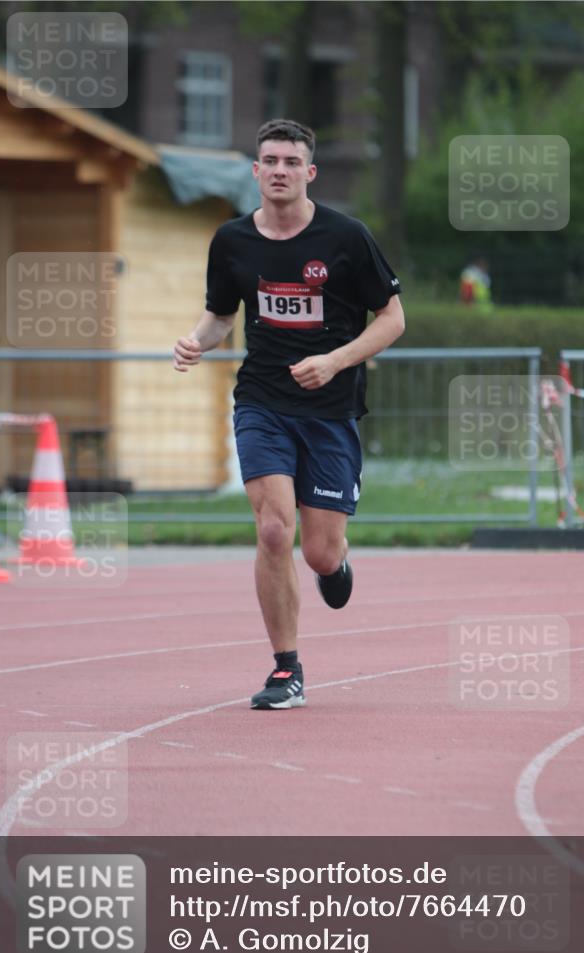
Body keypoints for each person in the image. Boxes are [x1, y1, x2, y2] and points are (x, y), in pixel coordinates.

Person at [173, 119, 404, 710]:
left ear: (310, 172)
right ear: (256, 171)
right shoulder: (231, 241)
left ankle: (336, 564)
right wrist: (197, 340)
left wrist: (334, 361)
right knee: (274, 528)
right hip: (262, 402)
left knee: (320, 552)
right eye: (269, 160)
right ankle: (286, 670)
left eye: (290, 161)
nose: (279, 170)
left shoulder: (346, 237)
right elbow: (222, 314)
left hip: (329, 409)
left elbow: (392, 319)